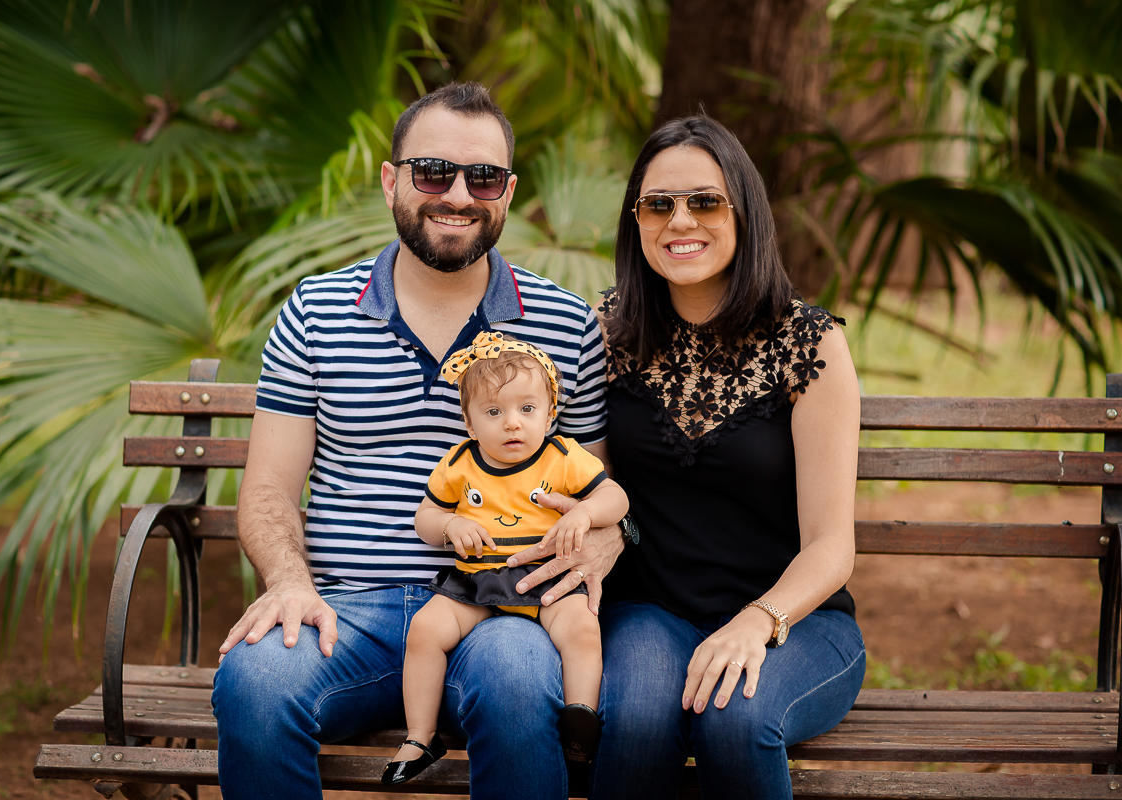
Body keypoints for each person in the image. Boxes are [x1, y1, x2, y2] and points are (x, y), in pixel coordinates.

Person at [211, 82, 623, 800]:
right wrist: (288, 581)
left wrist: (598, 541)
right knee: (256, 681)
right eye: (434, 172)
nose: (458, 194)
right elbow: (270, 488)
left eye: (483, 177)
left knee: (521, 681)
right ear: (391, 179)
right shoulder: (315, 313)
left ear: (509, 191)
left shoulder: (564, 322)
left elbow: (598, 488)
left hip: (503, 606)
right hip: (346, 610)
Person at [507, 114, 866, 798]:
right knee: (636, 718)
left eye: (705, 201)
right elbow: (601, 487)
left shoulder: (809, 344)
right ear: (635, 220)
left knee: (735, 715)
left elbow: (831, 545)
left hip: (798, 620)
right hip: (651, 609)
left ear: (744, 212)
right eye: (658, 204)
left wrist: (756, 624)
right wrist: (610, 525)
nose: (680, 221)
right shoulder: (607, 332)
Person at [383, 332, 630, 784]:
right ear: (470, 423)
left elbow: (615, 496)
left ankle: (581, 722)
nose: (512, 424)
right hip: (477, 584)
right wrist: (449, 526)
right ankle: (420, 736)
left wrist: (589, 514)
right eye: (494, 412)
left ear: (551, 413)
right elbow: (427, 515)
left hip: (549, 580)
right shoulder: (460, 462)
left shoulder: (563, 457)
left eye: (527, 409)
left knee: (581, 628)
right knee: (424, 629)